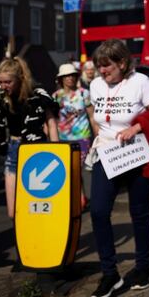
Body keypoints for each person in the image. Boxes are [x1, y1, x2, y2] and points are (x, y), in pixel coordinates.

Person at [88, 39, 149, 297]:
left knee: (139, 214)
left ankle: (142, 268)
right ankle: (109, 273)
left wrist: (135, 128)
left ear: (122, 63)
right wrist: (99, 137)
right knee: (99, 211)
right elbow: (97, 116)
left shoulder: (140, 82)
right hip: (108, 153)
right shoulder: (95, 85)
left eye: (107, 66)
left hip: (136, 153)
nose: (102, 71)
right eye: (99, 67)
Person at [0, 58, 59, 218]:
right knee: (13, 212)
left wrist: (56, 153)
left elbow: (50, 123)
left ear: (20, 78)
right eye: (0, 81)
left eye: (7, 82)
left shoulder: (37, 94)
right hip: (15, 148)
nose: (3, 86)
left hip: (36, 149)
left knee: (36, 208)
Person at [53, 64, 94, 200]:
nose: (69, 78)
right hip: (63, 138)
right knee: (69, 169)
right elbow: (52, 119)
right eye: (66, 76)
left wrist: (98, 136)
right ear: (61, 79)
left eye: (72, 75)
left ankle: (79, 198)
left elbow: (92, 116)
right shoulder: (56, 96)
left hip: (82, 137)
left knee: (77, 168)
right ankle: (79, 197)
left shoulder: (84, 93)